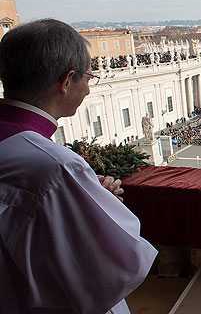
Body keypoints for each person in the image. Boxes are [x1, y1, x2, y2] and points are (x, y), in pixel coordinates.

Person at [0, 19, 157, 313]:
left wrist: (85, 190)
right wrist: (99, 200)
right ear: (67, 81)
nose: (88, 88)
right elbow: (123, 262)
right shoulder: (57, 168)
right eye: (88, 77)